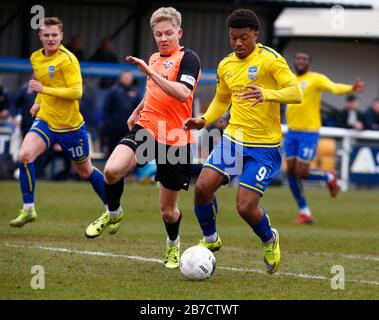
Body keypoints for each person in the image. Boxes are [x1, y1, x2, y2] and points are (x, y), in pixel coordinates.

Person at [184, 9, 303, 274]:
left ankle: (269, 238)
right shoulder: (226, 64)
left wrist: (266, 93)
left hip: (265, 147)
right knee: (202, 188)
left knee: (245, 206)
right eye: (234, 37)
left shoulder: (270, 60)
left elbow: (296, 93)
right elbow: (222, 99)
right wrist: (203, 120)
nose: (238, 43)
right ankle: (211, 239)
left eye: (244, 37)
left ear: (256, 35)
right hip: (233, 139)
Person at [85, 7, 201, 269]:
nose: (163, 38)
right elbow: (153, 92)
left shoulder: (189, 59)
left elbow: (182, 94)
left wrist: (149, 72)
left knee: (168, 211)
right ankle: (113, 213)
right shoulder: (154, 59)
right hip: (148, 128)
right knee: (112, 171)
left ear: (179, 33)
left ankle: (173, 246)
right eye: (158, 34)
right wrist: (137, 110)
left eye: (168, 33)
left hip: (176, 139)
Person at [9, 17, 107, 228]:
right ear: (40, 36)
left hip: (70, 126)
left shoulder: (68, 60)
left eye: (54, 35)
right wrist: (38, 101)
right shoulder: (35, 57)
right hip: (45, 120)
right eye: (46, 35)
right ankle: (28, 209)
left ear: (61, 36)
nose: (51, 38)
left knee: (85, 171)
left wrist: (42, 91)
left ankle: (112, 208)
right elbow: (45, 84)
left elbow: (76, 92)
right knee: (24, 156)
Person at [284, 51, 364, 224]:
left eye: (304, 59)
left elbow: (334, 87)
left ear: (309, 63)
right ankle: (305, 212)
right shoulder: (289, 79)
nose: (301, 61)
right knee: (290, 172)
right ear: (294, 61)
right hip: (291, 133)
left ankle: (329, 177)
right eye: (298, 58)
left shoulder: (316, 78)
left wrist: (351, 88)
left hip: (308, 133)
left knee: (301, 172)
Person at [101, 70, 141, 156]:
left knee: (128, 153)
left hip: (129, 129)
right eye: (125, 77)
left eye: (129, 77)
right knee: (113, 152)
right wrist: (108, 125)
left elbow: (140, 110)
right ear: (121, 78)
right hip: (115, 129)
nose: (127, 79)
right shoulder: (114, 91)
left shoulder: (136, 92)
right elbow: (107, 109)